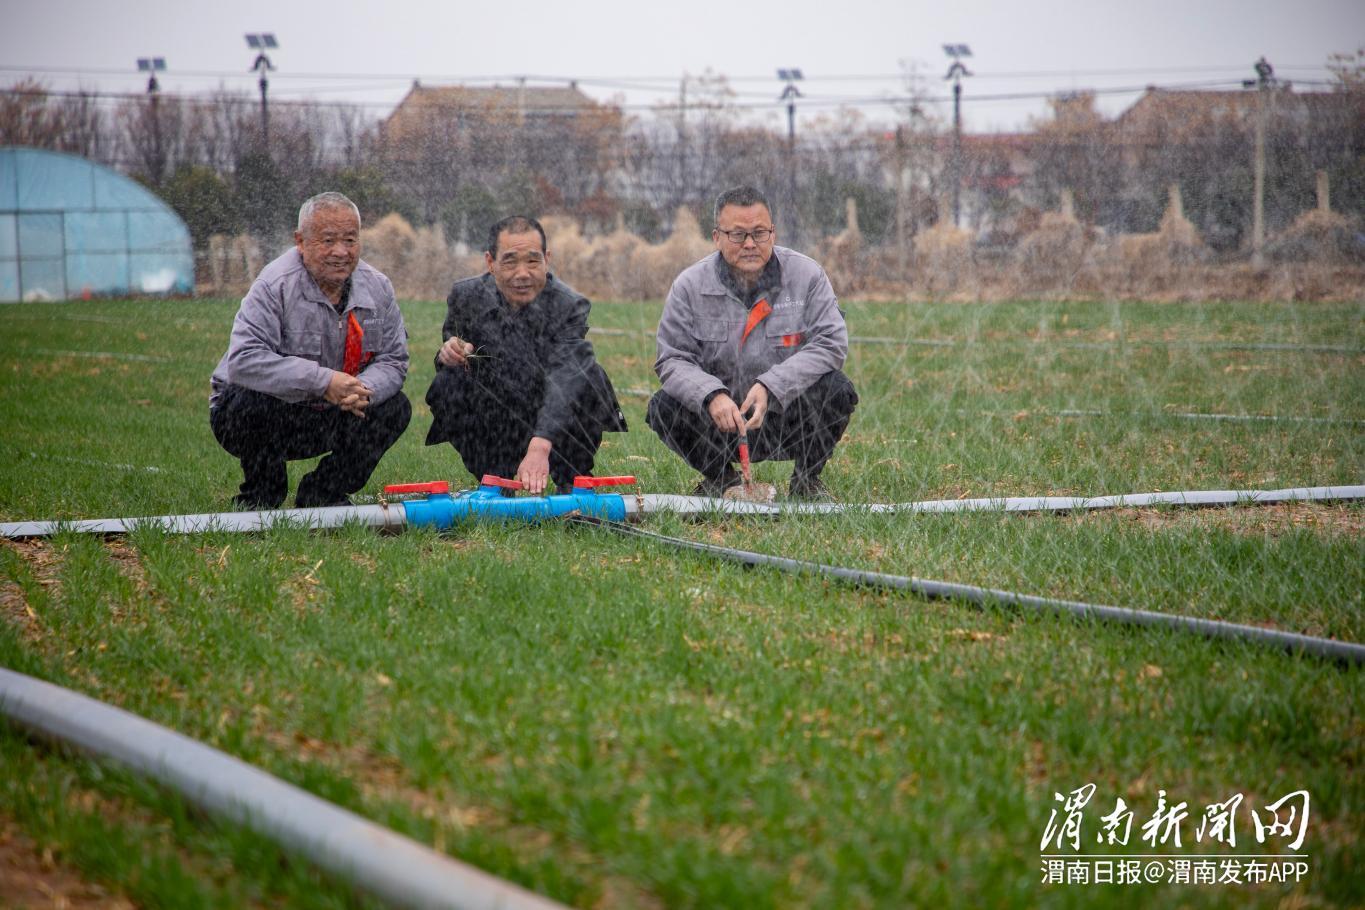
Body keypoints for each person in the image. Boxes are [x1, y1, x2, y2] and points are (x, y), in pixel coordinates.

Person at [648, 186, 857, 500]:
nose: (749, 244)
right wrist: (711, 395)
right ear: (717, 237)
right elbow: (672, 358)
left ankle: (806, 482)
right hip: (720, 424)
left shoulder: (807, 276)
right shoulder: (689, 286)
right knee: (663, 406)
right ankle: (722, 481)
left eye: (759, 233)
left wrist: (772, 387)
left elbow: (831, 343)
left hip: (787, 416)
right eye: (737, 235)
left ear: (773, 233)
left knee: (837, 390)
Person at [209, 191, 411, 509]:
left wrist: (361, 389)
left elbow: (394, 359)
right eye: (328, 240)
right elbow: (244, 361)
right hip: (262, 415)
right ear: (300, 241)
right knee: (247, 400)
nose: (340, 252)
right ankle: (261, 494)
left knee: (394, 407)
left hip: (330, 414)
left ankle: (323, 492)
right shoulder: (274, 284)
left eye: (350, 240)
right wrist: (323, 381)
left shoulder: (378, 287)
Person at [424, 215, 626, 494]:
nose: (522, 273)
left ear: (547, 259)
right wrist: (450, 352)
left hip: (552, 411)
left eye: (532, 261)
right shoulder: (466, 297)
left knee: (587, 375)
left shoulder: (569, 305)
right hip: (497, 415)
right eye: (510, 262)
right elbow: (452, 345)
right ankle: (494, 477)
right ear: (490, 262)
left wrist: (541, 444)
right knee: (448, 383)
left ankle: (572, 477)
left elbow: (566, 379)